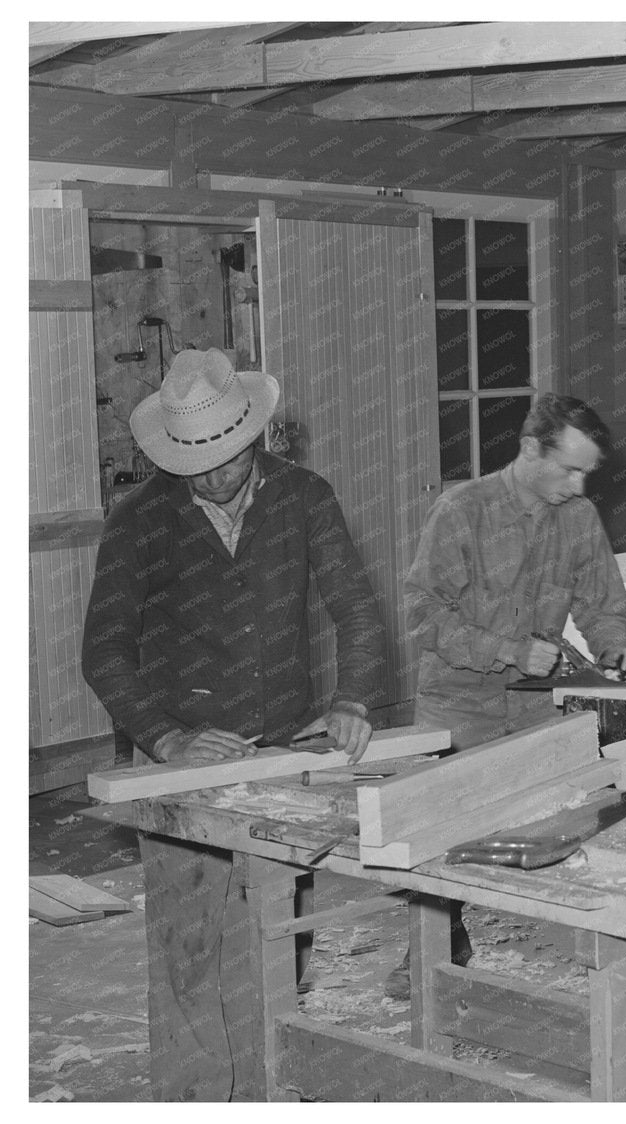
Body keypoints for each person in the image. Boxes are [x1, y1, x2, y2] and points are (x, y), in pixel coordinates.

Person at [82, 347, 386, 1100]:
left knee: (277, 928)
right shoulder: (140, 520)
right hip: (180, 755)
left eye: (228, 458)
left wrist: (352, 698)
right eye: (197, 464)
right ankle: (190, 1099)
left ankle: (264, 1088)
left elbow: (355, 610)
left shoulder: (304, 497)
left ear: (256, 435)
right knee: (190, 938)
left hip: (282, 742)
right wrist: (167, 737)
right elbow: (104, 651)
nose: (215, 476)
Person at [404, 392, 626, 750]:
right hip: (458, 706)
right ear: (531, 448)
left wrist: (613, 648)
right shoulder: (461, 511)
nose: (578, 487)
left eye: (586, 473)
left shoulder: (580, 516)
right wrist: (506, 650)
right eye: (569, 470)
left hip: (538, 702)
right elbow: (422, 614)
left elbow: (600, 606)